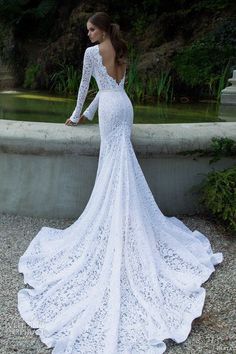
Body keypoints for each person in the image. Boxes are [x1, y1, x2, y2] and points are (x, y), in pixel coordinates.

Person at [17, 12, 223, 354]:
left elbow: (87, 86)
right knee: (121, 165)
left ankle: (116, 219)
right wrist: (90, 115)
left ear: (100, 28)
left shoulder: (91, 54)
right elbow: (113, 89)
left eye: (90, 29)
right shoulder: (122, 51)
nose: (88, 35)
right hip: (123, 109)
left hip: (111, 112)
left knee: (113, 166)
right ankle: (126, 216)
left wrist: (74, 115)